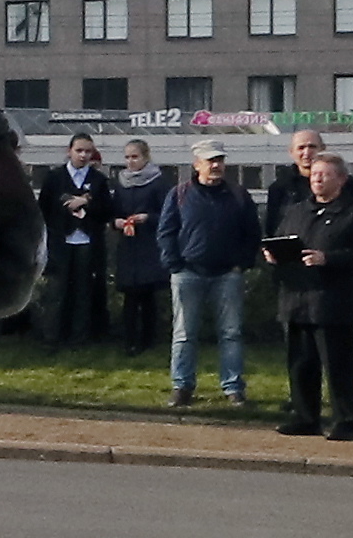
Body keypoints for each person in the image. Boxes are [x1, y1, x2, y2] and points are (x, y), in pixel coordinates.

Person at [264, 150, 353, 439]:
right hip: (296, 296)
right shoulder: (297, 210)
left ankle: (345, 420)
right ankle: (306, 417)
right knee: (301, 362)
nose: (317, 179)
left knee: (337, 364)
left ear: (341, 179)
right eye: (314, 174)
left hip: (331, 299)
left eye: (324, 174)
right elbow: (281, 237)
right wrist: (273, 253)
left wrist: (328, 258)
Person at [152, 142, 260, 406]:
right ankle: (182, 386)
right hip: (188, 272)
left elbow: (253, 233)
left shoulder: (238, 195)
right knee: (184, 334)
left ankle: (233, 387)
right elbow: (166, 232)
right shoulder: (179, 194)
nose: (216, 165)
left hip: (227, 275)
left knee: (231, 333)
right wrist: (174, 264)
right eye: (210, 160)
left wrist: (241, 264)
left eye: (219, 160)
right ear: (196, 164)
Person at [27, 131, 112, 351]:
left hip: (87, 242)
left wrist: (85, 203)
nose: (83, 155)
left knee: (83, 292)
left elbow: (107, 212)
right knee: (57, 291)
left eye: (88, 151)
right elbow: (43, 210)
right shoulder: (54, 178)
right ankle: (51, 338)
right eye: (79, 150)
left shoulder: (98, 181)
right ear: (69, 151)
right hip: (60, 242)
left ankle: (79, 339)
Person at [108, 138, 167, 352]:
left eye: (135, 157)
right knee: (130, 296)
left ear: (146, 157)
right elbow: (113, 212)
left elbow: (167, 215)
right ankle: (129, 340)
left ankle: (148, 340)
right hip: (128, 245)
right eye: (127, 157)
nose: (130, 162)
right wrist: (116, 222)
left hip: (149, 246)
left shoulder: (159, 181)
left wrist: (148, 218)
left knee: (147, 295)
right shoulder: (121, 182)